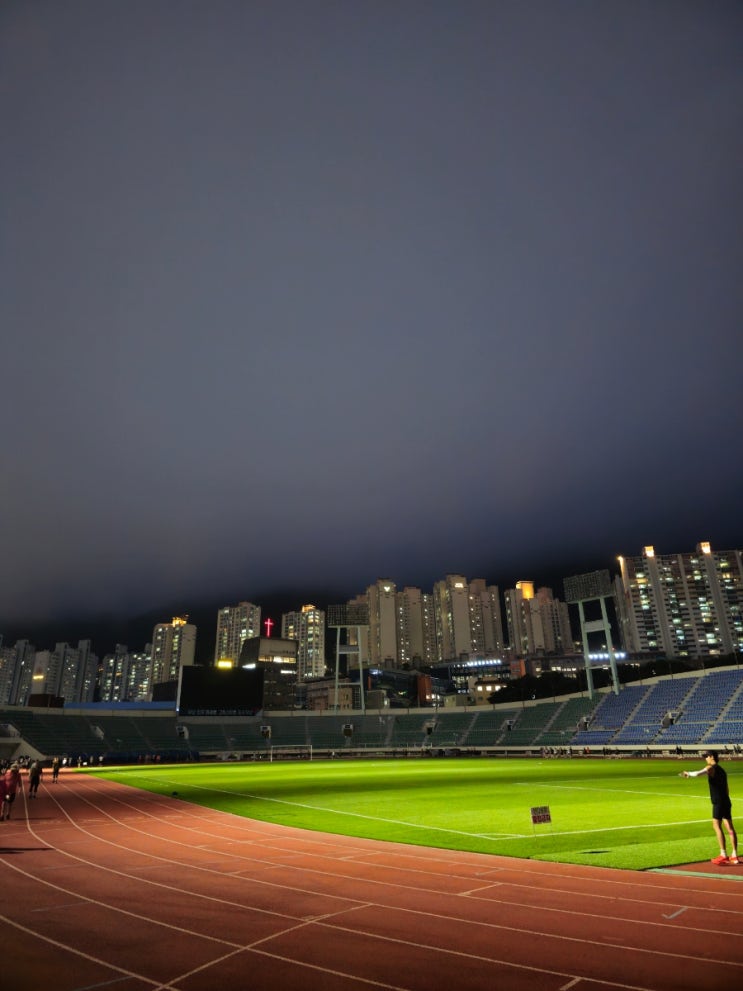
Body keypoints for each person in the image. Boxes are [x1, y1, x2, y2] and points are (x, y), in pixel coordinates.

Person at [680, 750, 739, 865]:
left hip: (718, 802)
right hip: (726, 801)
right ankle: (734, 855)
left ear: (712, 757)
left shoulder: (711, 767)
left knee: (716, 826)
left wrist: (688, 773)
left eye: (706, 756)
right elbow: (727, 788)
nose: (705, 758)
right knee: (730, 828)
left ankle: (723, 854)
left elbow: (698, 773)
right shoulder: (722, 770)